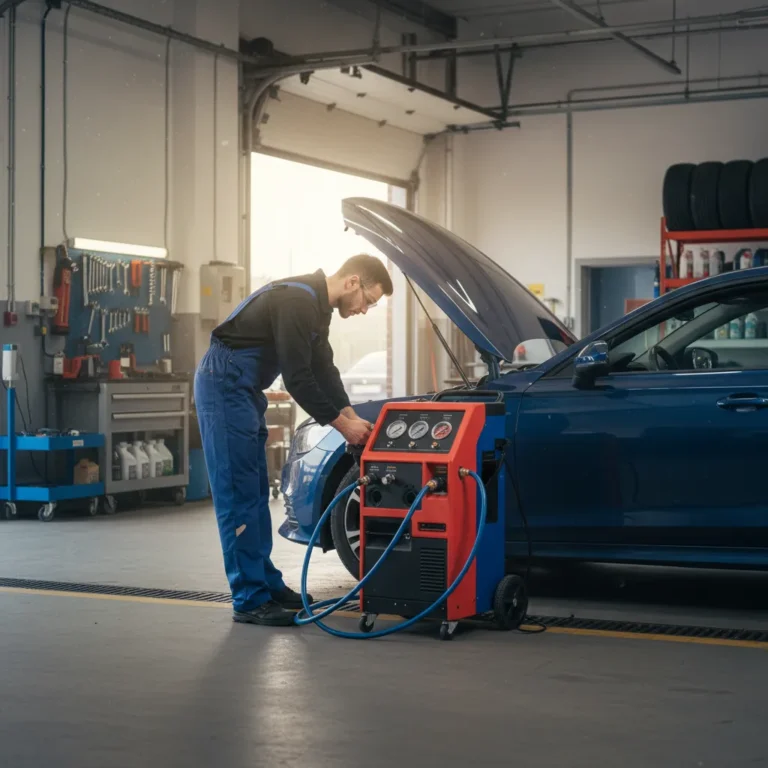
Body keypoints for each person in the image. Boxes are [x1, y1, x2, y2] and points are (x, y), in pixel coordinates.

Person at [194, 254, 394, 627]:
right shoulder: (297, 300)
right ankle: (249, 598)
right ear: (353, 282)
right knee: (237, 494)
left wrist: (351, 414)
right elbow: (298, 378)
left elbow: (324, 369)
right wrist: (342, 426)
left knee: (254, 491)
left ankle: (266, 583)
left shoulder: (318, 309)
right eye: (369, 300)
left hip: (243, 390)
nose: (366, 309)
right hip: (223, 385)